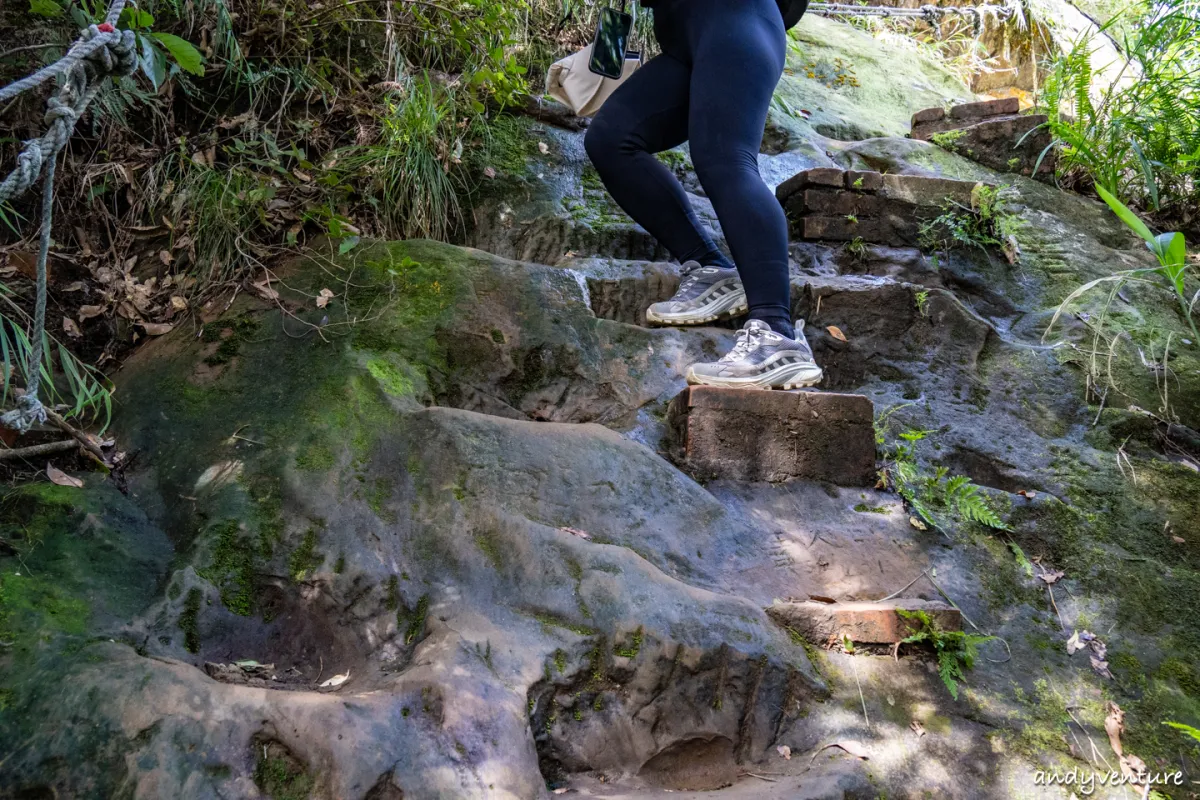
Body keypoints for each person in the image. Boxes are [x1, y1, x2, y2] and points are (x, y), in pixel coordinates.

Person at [584, 0, 823, 391]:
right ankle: (711, 269)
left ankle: (777, 335)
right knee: (612, 138)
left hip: (737, 18)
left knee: (725, 159)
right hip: (686, 42)